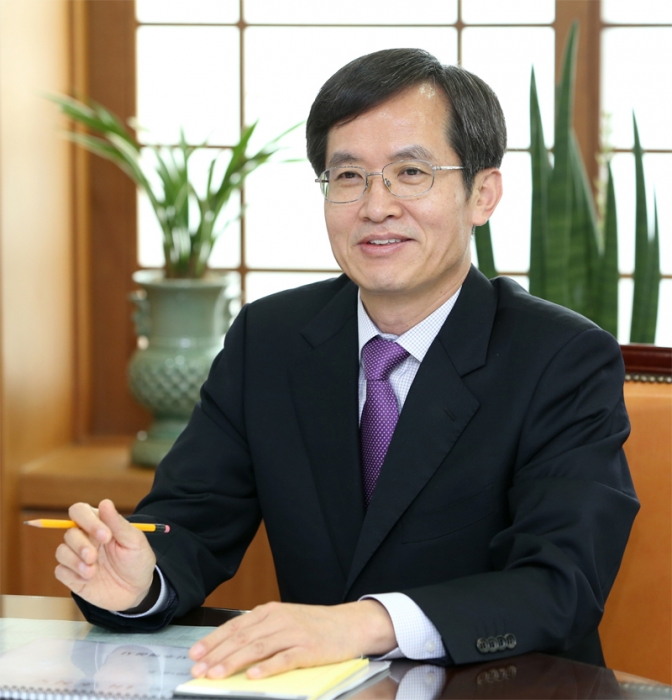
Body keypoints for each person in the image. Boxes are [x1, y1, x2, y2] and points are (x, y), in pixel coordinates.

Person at [55, 48, 638, 681]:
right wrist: (142, 583)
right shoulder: (270, 339)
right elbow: (189, 522)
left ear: (483, 194)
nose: (376, 206)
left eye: (410, 172)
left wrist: (363, 623)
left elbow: (560, 581)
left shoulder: (561, 358)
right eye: (348, 176)